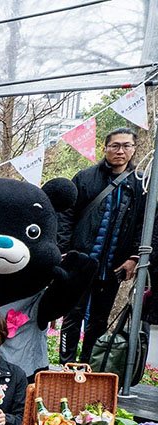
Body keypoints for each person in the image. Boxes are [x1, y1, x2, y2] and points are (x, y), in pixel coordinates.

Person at [57, 127, 146, 364]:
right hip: (80, 261)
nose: (120, 151)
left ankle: (88, 365)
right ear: (105, 148)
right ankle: (65, 365)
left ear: (134, 149)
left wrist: (134, 258)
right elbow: (65, 215)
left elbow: (144, 223)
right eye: (115, 145)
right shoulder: (85, 178)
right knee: (72, 315)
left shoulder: (140, 184)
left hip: (113, 266)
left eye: (127, 145)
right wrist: (65, 251)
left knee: (99, 320)